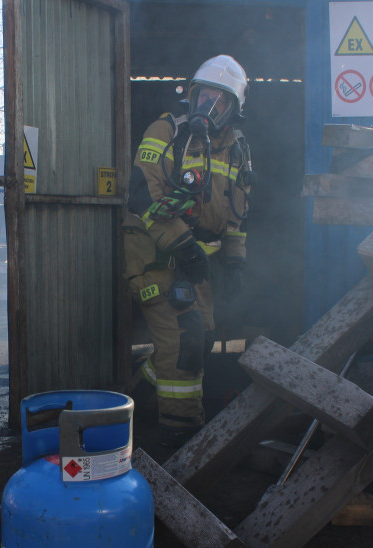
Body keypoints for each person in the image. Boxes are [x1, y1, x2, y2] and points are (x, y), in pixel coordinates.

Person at [121, 55, 254, 447]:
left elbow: (238, 213)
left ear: (233, 108)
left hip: (196, 264)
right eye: (204, 95)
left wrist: (235, 262)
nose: (209, 106)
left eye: (220, 100)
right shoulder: (167, 130)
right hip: (155, 257)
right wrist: (183, 245)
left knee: (201, 340)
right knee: (186, 340)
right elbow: (143, 194)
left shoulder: (237, 149)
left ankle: (130, 404)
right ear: (192, 95)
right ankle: (180, 437)